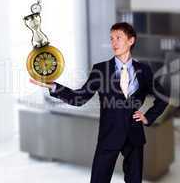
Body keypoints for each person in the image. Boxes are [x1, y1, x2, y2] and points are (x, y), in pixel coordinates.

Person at [30, 22, 168, 183]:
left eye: (118, 38)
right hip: (108, 135)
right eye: (111, 39)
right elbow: (79, 98)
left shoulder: (144, 70)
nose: (114, 43)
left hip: (134, 135)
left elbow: (163, 96)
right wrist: (54, 86)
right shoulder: (100, 69)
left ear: (131, 40)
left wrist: (148, 117)